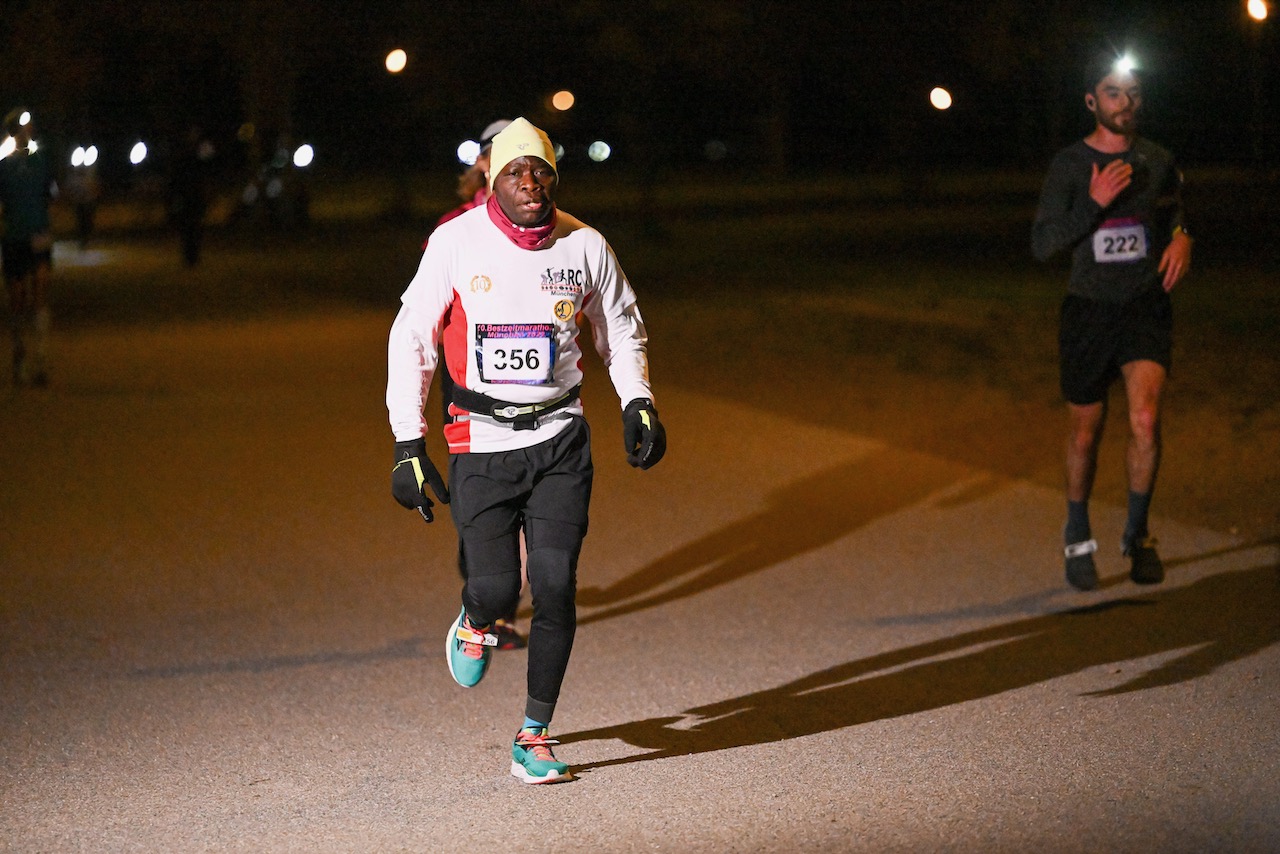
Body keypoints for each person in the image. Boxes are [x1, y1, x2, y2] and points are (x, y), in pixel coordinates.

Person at [386, 117, 666, 784]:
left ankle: (533, 735)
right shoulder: (455, 244)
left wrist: (637, 399)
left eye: (541, 170)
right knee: (496, 586)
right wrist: (407, 440)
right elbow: (412, 337)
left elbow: (622, 328)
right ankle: (476, 617)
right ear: (493, 178)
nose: (530, 183)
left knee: (556, 586)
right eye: (516, 171)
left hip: (560, 437)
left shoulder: (586, 245)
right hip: (481, 441)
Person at [1031, 51, 1192, 591]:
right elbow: (1043, 244)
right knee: (1086, 432)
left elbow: (1175, 214)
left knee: (1145, 420)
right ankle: (1077, 533)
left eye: (1133, 93)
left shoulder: (1158, 159)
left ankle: (1138, 534)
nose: (1126, 103)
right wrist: (1094, 204)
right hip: (1088, 311)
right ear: (1091, 101)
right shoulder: (1069, 166)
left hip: (1144, 307)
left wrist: (1183, 238)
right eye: (1114, 93)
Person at [423, 119, 529, 651]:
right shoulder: (453, 227)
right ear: (484, 162)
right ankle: (482, 588)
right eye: (501, 153)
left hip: (532, 382)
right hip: (467, 378)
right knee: (481, 489)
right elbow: (428, 309)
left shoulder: (550, 224)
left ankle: (503, 607)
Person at [0, 107, 56, 387]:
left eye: (30, 124)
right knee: (18, 296)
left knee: (41, 285)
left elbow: (50, 192)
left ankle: (41, 357)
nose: (29, 129)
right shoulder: (4, 165)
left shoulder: (41, 159)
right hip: (14, 237)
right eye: (23, 125)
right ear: (13, 131)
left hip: (38, 233)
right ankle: (20, 351)